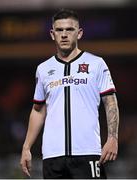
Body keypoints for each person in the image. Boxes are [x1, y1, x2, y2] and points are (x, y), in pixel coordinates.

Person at [20, 9, 119, 179]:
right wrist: (26, 147)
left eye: (69, 29)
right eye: (59, 30)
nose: (64, 35)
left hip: (88, 152)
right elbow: (38, 109)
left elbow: (110, 102)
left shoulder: (96, 64)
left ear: (79, 33)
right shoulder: (43, 69)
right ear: (52, 34)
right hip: (53, 156)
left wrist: (112, 138)